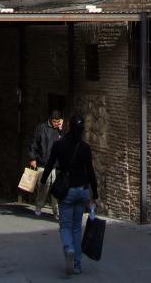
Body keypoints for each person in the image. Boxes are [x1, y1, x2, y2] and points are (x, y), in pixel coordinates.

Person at [40, 112, 99, 276]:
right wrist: (95, 194)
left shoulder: (59, 145)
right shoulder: (85, 148)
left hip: (67, 191)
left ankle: (69, 248)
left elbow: (50, 164)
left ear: (69, 126)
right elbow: (91, 172)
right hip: (82, 191)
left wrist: (43, 181)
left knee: (65, 226)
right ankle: (77, 265)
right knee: (76, 228)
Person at [28, 110, 63, 219]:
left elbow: (65, 143)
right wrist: (33, 158)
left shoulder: (60, 130)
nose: (56, 124)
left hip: (55, 165)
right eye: (54, 122)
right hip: (43, 163)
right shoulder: (41, 128)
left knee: (55, 189)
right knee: (43, 187)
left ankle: (56, 211)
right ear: (50, 120)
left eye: (58, 122)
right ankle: (39, 206)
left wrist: (61, 130)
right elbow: (34, 143)